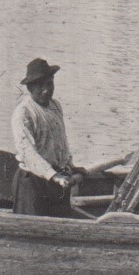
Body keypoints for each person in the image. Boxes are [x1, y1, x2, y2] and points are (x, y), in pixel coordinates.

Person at [11, 57, 84, 217]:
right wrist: (55, 176)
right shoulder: (24, 113)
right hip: (33, 183)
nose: (46, 90)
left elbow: (61, 142)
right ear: (30, 88)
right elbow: (28, 154)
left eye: (49, 84)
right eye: (39, 85)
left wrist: (69, 167)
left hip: (57, 182)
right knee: (32, 233)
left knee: (62, 227)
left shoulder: (55, 106)